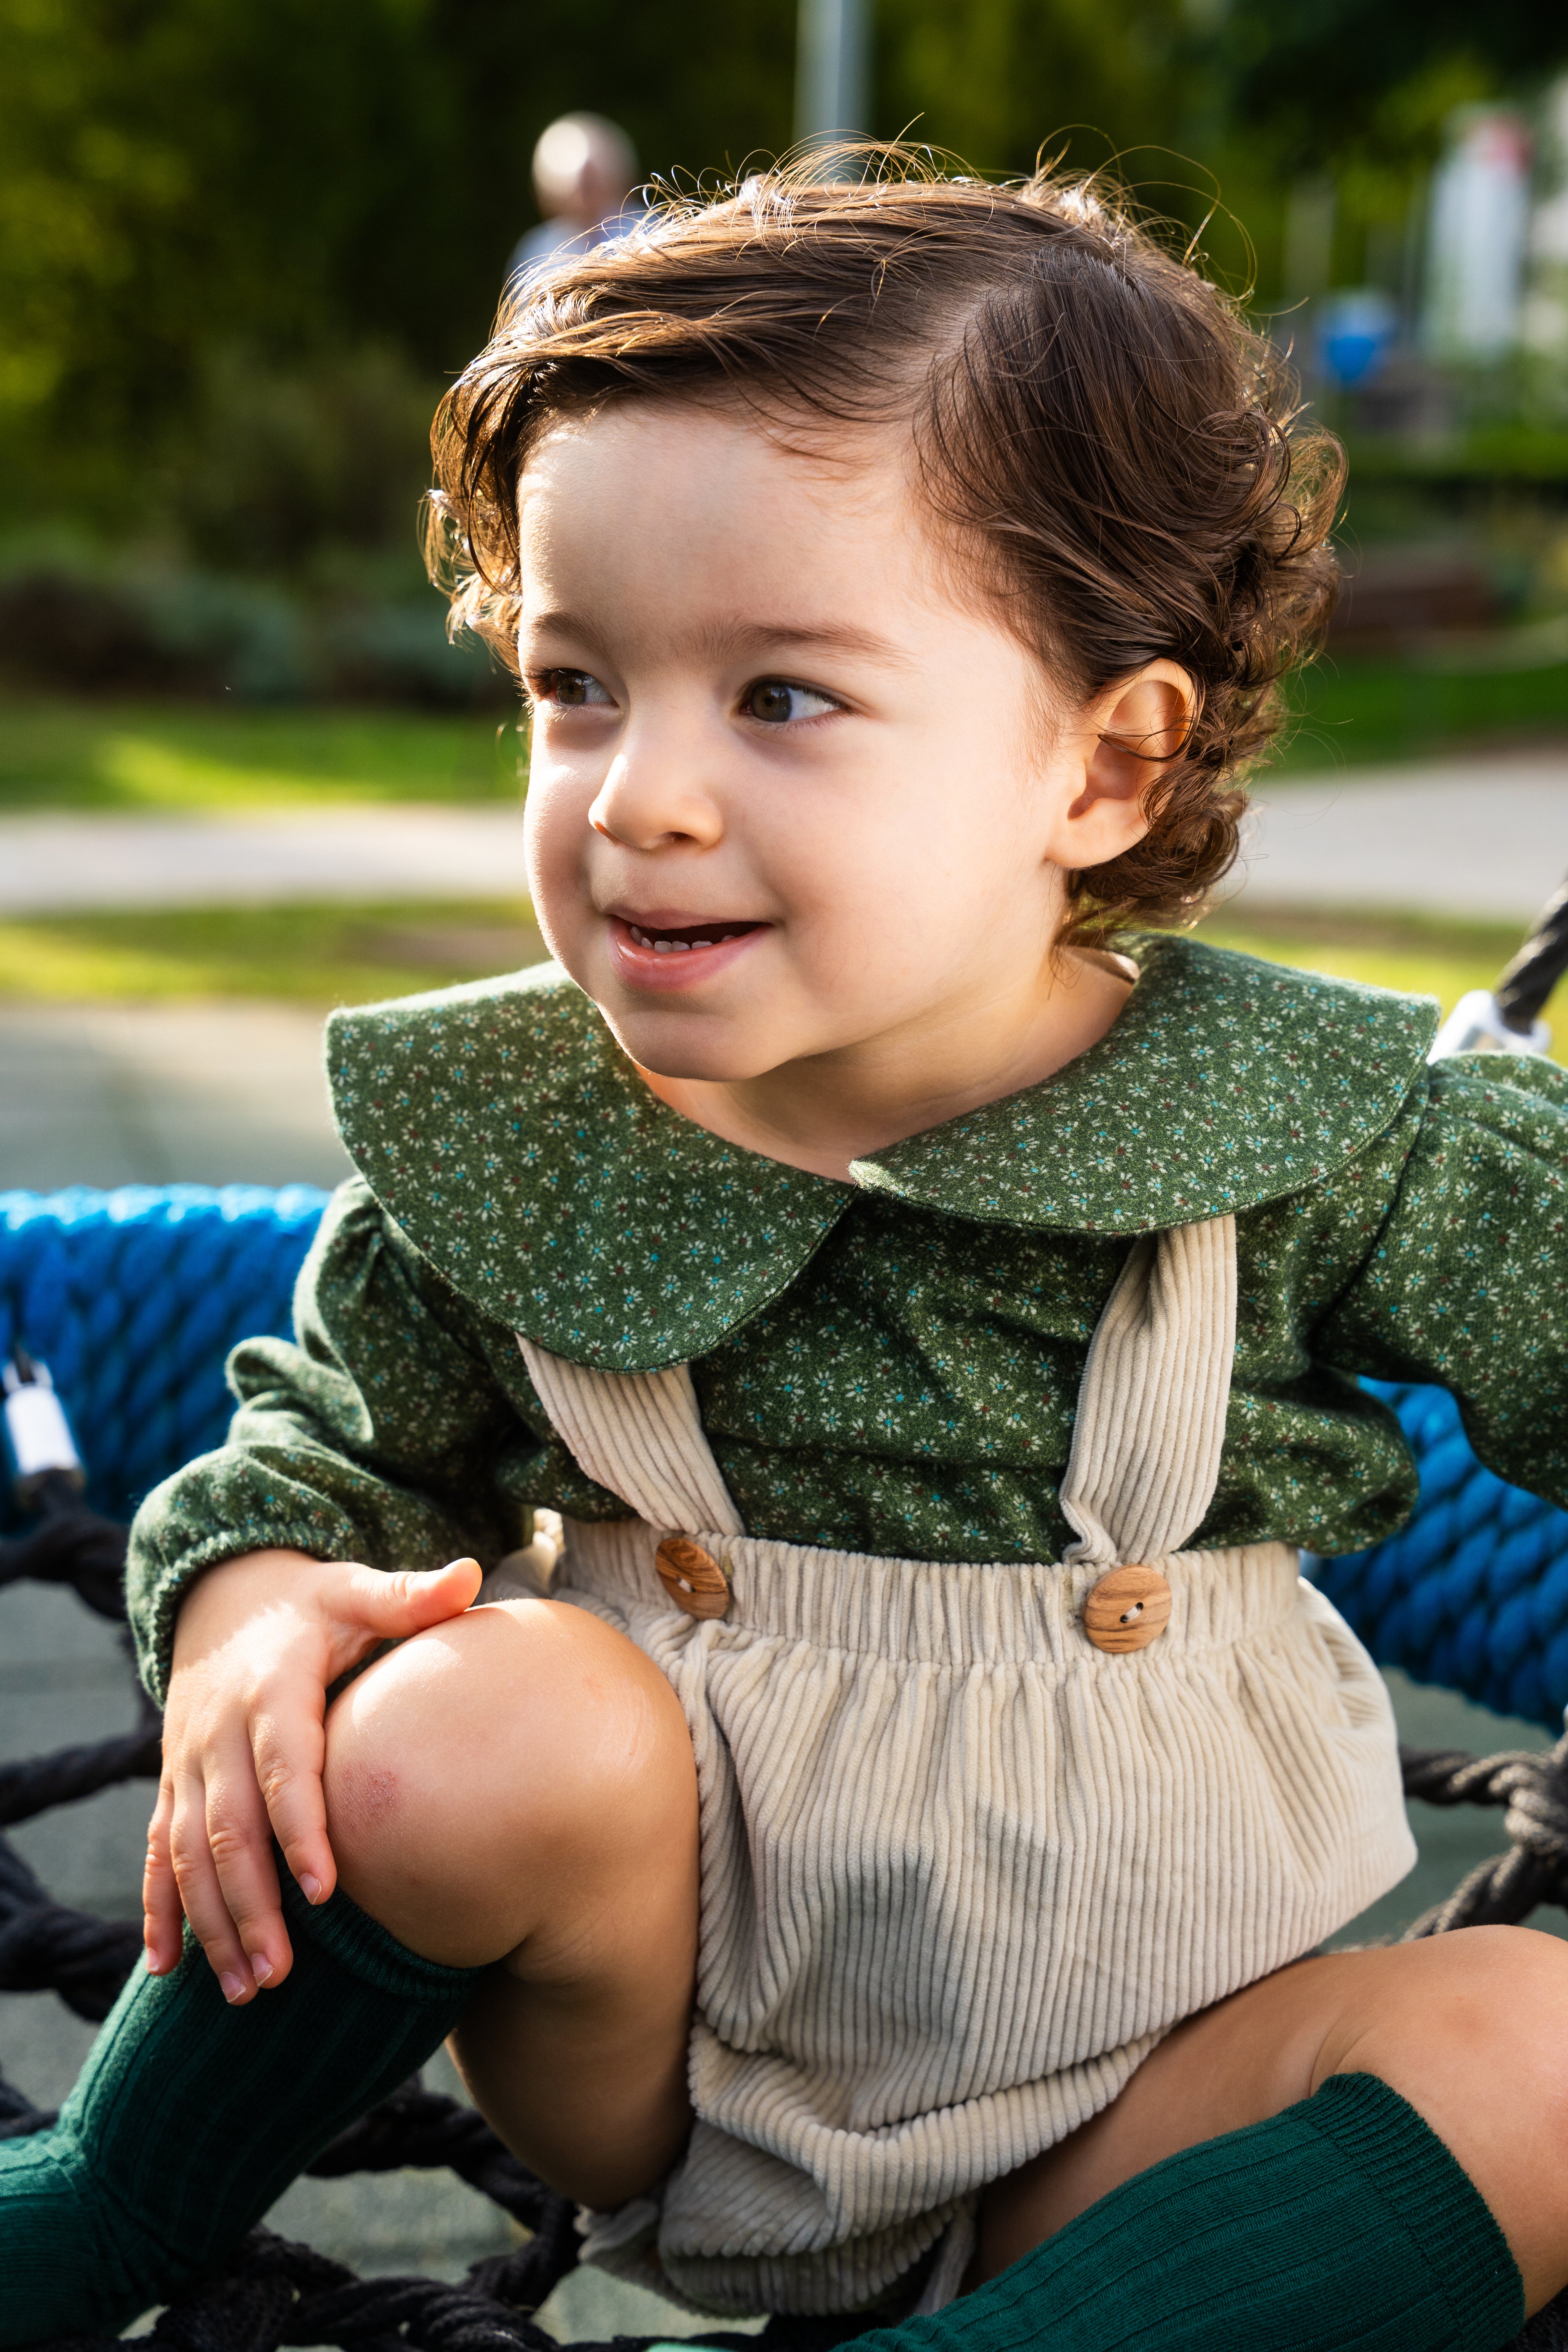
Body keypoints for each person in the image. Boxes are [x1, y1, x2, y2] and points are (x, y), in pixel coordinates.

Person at [5, 155, 1568, 2349]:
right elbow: (318, 1472)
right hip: (668, 2063)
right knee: (459, 1720)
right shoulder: (516, 1135)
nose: (637, 794)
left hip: (1157, 2108)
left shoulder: (1335, 1138)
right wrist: (260, 1614)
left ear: (1107, 769)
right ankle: (101, 2201)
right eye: (576, 684)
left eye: (784, 699)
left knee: (1539, 2059)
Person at [505, 111, 641, 290]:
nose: (585, 195)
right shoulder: (537, 254)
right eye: (581, 186)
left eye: (592, 182)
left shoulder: (649, 232)